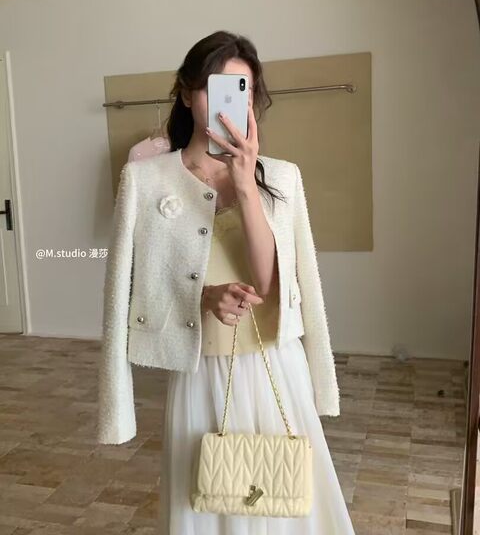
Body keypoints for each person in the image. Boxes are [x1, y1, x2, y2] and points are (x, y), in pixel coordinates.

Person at [98, 30, 356, 534]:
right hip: (200, 370)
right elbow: (127, 291)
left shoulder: (282, 178)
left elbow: (269, 281)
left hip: (276, 363)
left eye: (242, 89)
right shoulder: (145, 180)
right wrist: (202, 297)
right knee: (208, 500)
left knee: (286, 497)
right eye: (213, 87)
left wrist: (245, 183)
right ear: (186, 92)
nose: (227, 102)